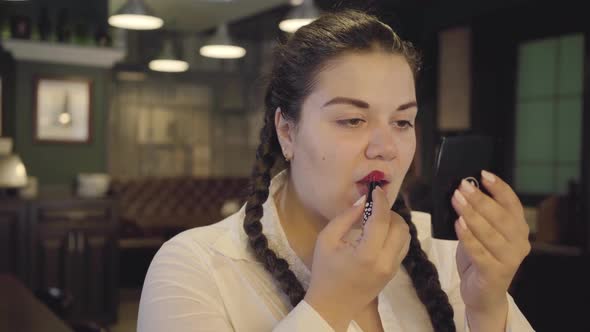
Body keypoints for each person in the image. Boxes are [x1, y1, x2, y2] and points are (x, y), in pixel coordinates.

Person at [138, 9, 534, 332]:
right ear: (287, 131)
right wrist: (329, 305)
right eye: (352, 120)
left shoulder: (448, 252)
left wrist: (487, 308)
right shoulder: (196, 267)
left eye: (402, 122)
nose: (386, 149)